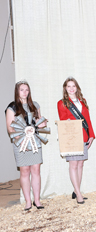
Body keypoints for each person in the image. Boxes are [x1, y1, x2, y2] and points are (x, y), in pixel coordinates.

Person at [5, 80, 47, 210]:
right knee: (24, 171)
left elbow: (38, 122)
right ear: (17, 91)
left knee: (36, 170)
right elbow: (10, 128)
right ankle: (28, 201)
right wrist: (20, 140)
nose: (25, 92)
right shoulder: (12, 107)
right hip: (20, 143)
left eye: (27, 90)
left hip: (35, 141)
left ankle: (37, 200)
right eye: (22, 90)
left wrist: (42, 123)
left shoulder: (35, 105)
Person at [57, 77, 95, 204]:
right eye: (69, 86)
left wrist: (91, 135)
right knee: (73, 164)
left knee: (80, 164)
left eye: (73, 86)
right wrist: (68, 122)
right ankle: (78, 194)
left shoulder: (82, 101)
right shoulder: (62, 103)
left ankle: (76, 190)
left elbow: (88, 119)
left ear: (77, 88)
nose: (71, 88)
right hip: (71, 137)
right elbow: (63, 120)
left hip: (83, 135)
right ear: (65, 88)